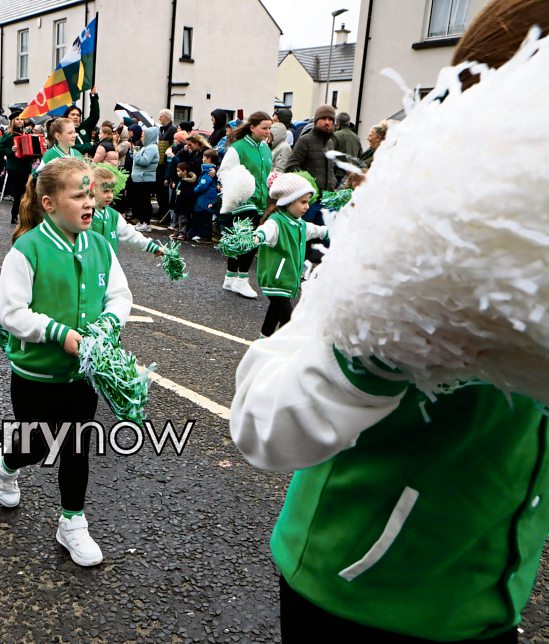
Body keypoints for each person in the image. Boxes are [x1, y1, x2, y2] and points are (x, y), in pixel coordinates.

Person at [231, 0, 549, 640]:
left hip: (488, 600)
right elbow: (259, 424)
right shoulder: (404, 236)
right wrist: (379, 345)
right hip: (353, 593)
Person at [0, 157, 132, 567]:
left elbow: (119, 296)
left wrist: (107, 324)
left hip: (83, 375)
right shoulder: (27, 249)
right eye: (78, 195)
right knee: (35, 445)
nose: (89, 203)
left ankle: (72, 522)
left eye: (91, 194)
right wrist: (59, 334)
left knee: (75, 445)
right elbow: (11, 313)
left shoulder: (100, 246)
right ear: (49, 203)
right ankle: (5, 463)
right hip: (36, 374)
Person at [248, 173, 328, 336]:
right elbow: (264, 231)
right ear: (288, 201)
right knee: (289, 320)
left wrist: (334, 229)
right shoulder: (276, 222)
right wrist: (256, 238)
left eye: (308, 202)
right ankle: (279, 346)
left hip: (288, 280)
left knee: (274, 312)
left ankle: (264, 340)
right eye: (303, 202)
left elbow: (317, 230)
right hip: (276, 279)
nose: (307, 207)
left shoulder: (300, 224)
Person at [218, 111, 273, 298]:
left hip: (261, 201)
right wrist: (239, 188)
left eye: (269, 128)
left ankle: (230, 277)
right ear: (252, 127)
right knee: (248, 240)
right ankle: (241, 279)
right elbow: (223, 172)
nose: (267, 132)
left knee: (241, 239)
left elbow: (265, 174)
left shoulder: (265, 148)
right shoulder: (238, 148)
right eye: (264, 128)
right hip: (244, 201)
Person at [91, 164, 164, 257]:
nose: (110, 196)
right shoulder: (85, 215)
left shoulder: (113, 215)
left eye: (112, 191)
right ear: (92, 190)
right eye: (105, 191)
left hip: (109, 263)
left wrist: (152, 247)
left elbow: (129, 234)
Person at [286, 104, 338, 226]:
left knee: (325, 235)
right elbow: (291, 166)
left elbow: (331, 167)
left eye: (330, 119)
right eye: (323, 118)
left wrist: (333, 182)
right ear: (316, 121)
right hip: (310, 201)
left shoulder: (331, 142)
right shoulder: (305, 140)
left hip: (328, 200)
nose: (327, 122)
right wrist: (309, 183)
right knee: (306, 234)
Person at [0, 112, 34, 224]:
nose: (20, 121)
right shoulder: (8, 135)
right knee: (17, 194)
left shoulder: (27, 133)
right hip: (14, 167)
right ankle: (14, 216)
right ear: (12, 121)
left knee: (26, 193)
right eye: (17, 119)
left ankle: (25, 216)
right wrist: (10, 150)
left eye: (21, 119)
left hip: (26, 166)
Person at [129, 125, 160, 231]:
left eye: (143, 136)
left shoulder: (151, 148)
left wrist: (136, 153)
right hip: (141, 178)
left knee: (144, 201)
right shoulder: (147, 147)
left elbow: (144, 161)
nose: (142, 138)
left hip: (145, 179)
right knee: (140, 201)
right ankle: (142, 221)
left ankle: (146, 223)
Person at [189, 148, 220, 243]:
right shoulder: (211, 170)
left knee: (204, 217)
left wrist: (194, 190)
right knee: (203, 218)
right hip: (206, 199)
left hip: (205, 200)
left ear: (209, 158)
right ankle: (199, 234)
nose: (202, 159)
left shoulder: (208, 172)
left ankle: (205, 237)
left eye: (204, 157)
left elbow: (203, 185)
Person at [64, 87, 99, 156]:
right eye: (73, 114)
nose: (76, 117)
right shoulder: (63, 130)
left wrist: (93, 97)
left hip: (87, 160)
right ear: (67, 116)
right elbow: (72, 148)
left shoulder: (83, 127)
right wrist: (90, 145)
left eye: (78, 115)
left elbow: (94, 116)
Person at [169, 162, 197, 241]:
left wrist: (181, 193)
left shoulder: (188, 182)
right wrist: (173, 186)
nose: (177, 173)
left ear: (184, 171)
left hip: (184, 205)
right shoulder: (180, 180)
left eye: (179, 171)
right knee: (175, 219)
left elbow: (190, 193)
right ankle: (176, 232)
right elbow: (176, 188)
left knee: (183, 220)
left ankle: (183, 233)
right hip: (178, 203)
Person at [332, 112, 362, 183]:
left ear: (338, 123)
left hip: (337, 174)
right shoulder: (356, 137)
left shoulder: (335, 135)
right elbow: (360, 156)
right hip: (351, 175)